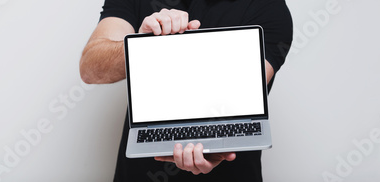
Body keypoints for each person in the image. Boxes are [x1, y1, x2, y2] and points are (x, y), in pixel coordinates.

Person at [79, 0, 293, 181]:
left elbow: (236, 98)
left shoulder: (268, 7)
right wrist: (140, 46)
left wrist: (212, 150)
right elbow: (90, 68)